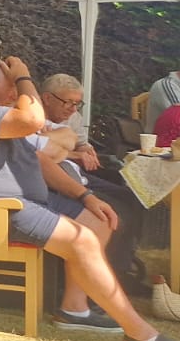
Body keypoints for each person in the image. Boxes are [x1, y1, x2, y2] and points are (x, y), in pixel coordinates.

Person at [0, 56, 178, 341]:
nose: (17, 93)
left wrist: (86, 197)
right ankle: (141, 335)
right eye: (11, 86)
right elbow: (33, 120)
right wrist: (24, 75)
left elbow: (41, 160)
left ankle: (74, 309)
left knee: (98, 221)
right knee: (82, 240)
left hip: (22, 203)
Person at [39, 72, 147, 296]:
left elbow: (80, 142)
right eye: (68, 102)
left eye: (77, 103)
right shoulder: (33, 116)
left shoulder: (72, 116)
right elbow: (39, 151)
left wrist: (85, 149)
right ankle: (105, 282)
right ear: (47, 98)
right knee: (116, 213)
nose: (73, 109)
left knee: (133, 197)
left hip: (77, 171)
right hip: (58, 177)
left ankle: (122, 268)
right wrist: (72, 152)